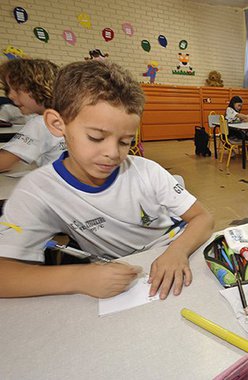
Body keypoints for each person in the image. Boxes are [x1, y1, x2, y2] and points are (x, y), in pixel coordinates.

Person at [0, 60, 214, 300]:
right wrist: (80, 277)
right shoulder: (38, 190)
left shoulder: (146, 171)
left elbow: (203, 217)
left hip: (178, 249)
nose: (113, 153)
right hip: (127, 274)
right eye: (95, 137)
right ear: (57, 124)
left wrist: (177, 251)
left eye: (125, 142)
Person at [0, 58, 65, 172]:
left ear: (38, 88)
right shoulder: (68, 116)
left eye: (16, 89)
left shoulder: (41, 123)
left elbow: (3, 162)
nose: (10, 95)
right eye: (8, 90)